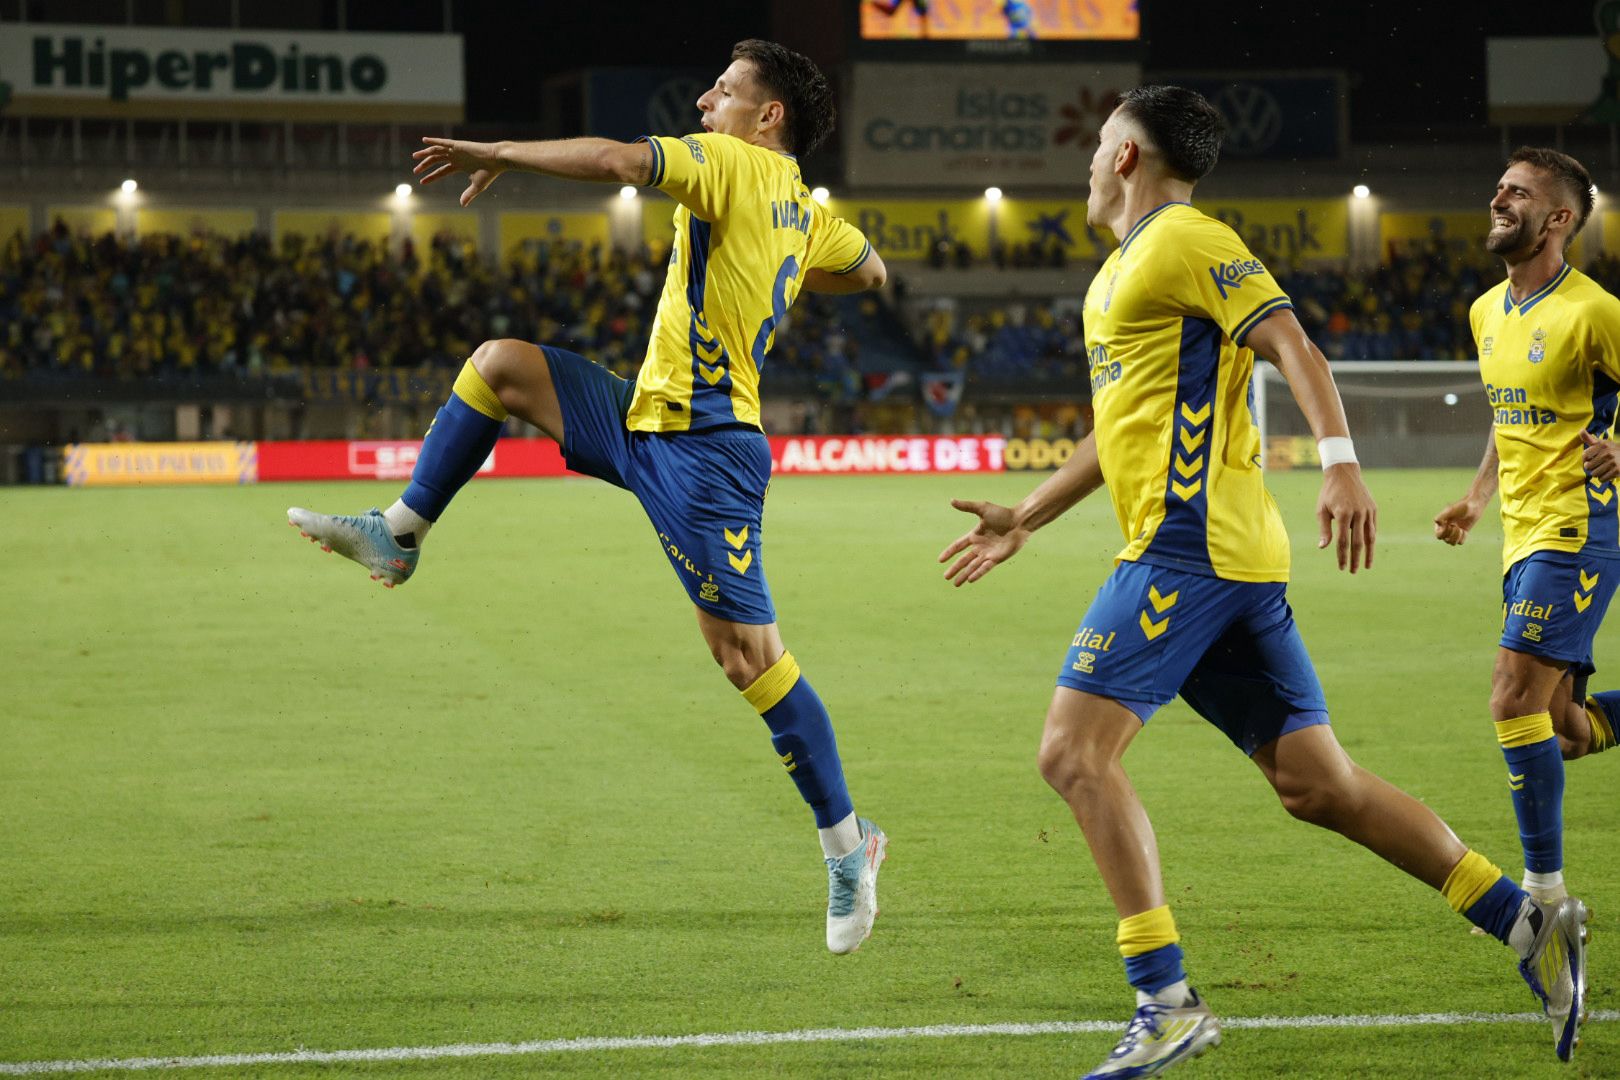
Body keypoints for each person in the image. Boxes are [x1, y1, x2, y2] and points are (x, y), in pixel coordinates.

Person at [938, 87, 1589, 1076]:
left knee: (1074, 755)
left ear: (1125, 157)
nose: (1086, 159)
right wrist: (1026, 514)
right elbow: (1118, 434)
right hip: (1217, 558)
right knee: (1317, 785)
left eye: (1100, 141)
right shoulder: (1118, 277)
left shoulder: (1185, 239)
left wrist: (1338, 460)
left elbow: (1291, 339)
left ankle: (1165, 1000)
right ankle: (1525, 922)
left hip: (1187, 551)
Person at [286, 39, 890, 955]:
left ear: (769, 118)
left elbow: (615, 160)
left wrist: (497, 154)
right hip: (645, 415)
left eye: (723, 92)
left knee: (747, 659)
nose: (703, 101)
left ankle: (851, 848)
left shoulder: (734, 162)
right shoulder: (807, 209)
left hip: (706, 450)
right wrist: (793, 263)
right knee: (498, 367)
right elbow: (873, 273)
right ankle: (398, 532)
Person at [1433, 147, 1613, 939]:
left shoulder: (1595, 311)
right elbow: (1509, 423)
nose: (1499, 198)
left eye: (1520, 192)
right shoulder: (1485, 311)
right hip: (1521, 535)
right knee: (1564, 731)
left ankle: (1544, 900)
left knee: (1510, 698)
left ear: (1560, 218)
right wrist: (1476, 499)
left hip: (1580, 528)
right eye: (1499, 186)